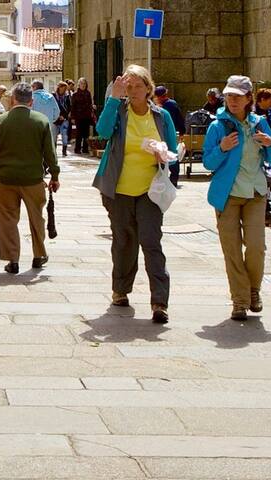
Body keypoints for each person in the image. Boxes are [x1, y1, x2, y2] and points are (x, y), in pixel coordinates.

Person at [93, 65, 179, 323]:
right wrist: (113, 98)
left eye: (137, 86)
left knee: (151, 242)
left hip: (150, 191)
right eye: (128, 87)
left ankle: (159, 302)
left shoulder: (161, 117)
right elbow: (103, 132)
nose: (132, 92)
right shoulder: (119, 112)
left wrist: (163, 155)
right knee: (123, 242)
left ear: (148, 88)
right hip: (118, 190)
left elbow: (173, 153)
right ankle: (120, 290)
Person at [203, 75, 271, 321]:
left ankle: (254, 290)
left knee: (256, 247)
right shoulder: (218, 126)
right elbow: (208, 162)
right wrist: (222, 148)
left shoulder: (260, 123)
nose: (232, 100)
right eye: (229, 95)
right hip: (227, 195)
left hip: (255, 193)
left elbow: (270, 157)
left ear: (249, 99)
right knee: (232, 251)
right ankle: (240, 300)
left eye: (238, 96)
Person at [0, 83, 61, 275]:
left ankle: (13, 259)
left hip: (5, 178)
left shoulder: (0, 121)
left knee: (8, 219)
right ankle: (39, 254)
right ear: (31, 101)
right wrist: (55, 175)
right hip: (33, 178)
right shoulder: (41, 121)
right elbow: (50, 153)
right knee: (36, 217)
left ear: (12, 100)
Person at [156, 85, 188, 184]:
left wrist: (182, 131)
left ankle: (171, 178)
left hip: (165, 133)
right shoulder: (171, 104)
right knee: (172, 154)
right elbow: (180, 119)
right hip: (170, 133)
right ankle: (174, 179)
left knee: (170, 154)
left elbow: (178, 119)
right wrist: (182, 131)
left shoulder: (166, 106)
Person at [68, 79, 97, 155]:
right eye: (81, 83)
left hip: (86, 116)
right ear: (79, 85)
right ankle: (77, 149)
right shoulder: (75, 94)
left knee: (86, 133)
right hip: (78, 116)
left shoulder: (88, 93)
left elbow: (90, 104)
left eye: (84, 83)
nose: (83, 85)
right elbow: (73, 107)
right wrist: (73, 117)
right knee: (79, 133)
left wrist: (92, 109)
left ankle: (85, 148)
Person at [54, 81, 73, 156]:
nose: (64, 90)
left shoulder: (67, 97)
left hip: (64, 119)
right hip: (55, 119)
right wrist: (57, 116)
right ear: (59, 87)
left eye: (65, 89)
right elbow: (53, 107)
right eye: (63, 88)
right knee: (54, 136)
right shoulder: (53, 96)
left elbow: (69, 108)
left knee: (64, 135)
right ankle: (54, 152)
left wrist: (64, 116)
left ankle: (64, 151)